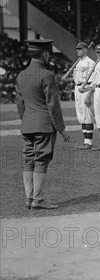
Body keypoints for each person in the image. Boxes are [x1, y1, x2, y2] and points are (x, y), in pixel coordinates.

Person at [16, 39, 70, 210]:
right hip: (44, 124)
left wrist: (27, 120)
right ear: (45, 54)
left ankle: (29, 198)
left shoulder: (21, 75)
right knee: (41, 161)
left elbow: (20, 104)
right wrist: (61, 129)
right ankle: (38, 199)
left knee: (28, 160)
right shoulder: (47, 75)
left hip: (27, 124)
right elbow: (53, 104)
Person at [72, 42, 95, 149]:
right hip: (77, 88)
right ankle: (85, 141)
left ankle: (89, 142)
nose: (78, 51)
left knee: (87, 115)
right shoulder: (77, 63)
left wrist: (88, 94)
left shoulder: (90, 62)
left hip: (86, 88)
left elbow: (93, 81)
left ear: (86, 50)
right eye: (77, 49)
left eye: (80, 49)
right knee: (81, 116)